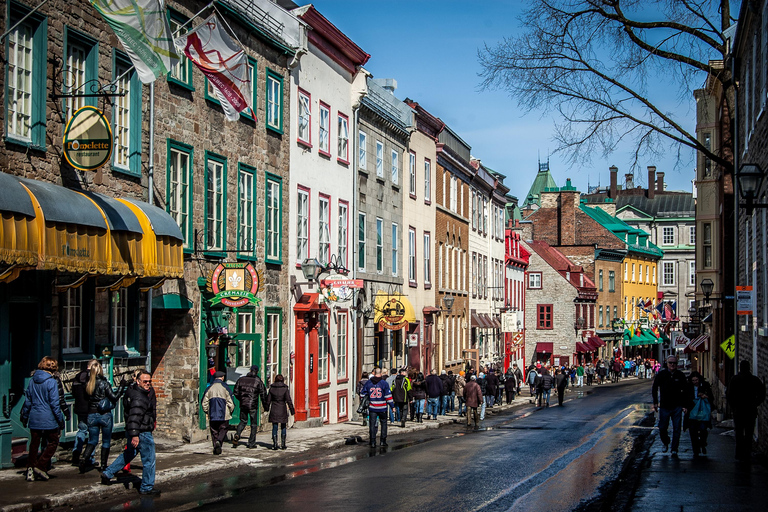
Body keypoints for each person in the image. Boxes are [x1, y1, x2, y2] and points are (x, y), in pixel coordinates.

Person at [100, 370, 160, 496]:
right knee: (149, 460)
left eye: (149, 381)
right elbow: (134, 417)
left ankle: (108, 473)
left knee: (129, 454)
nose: (148, 384)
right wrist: (135, 435)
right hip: (141, 431)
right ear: (138, 381)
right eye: (145, 381)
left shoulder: (133, 391)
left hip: (136, 430)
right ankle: (147, 487)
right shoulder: (139, 397)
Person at [20, 357, 65, 482]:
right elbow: (55, 404)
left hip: (34, 417)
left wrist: (25, 416)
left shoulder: (32, 381)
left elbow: (28, 402)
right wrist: (60, 420)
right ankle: (40, 466)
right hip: (48, 418)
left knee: (34, 444)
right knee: (53, 441)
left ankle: (30, 469)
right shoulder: (51, 382)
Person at [79, 361, 127, 473]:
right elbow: (114, 397)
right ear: (100, 371)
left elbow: (86, 399)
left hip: (91, 414)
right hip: (104, 415)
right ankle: (103, 465)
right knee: (106, 441)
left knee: (92, 440)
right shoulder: (104, 384)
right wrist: (122, 386)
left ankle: (84, 458)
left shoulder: (88, 384)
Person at [726, 360, 766, 461]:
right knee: (749, 432)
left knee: (739, 432)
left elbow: (729, 395)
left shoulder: (735, 379)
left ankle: (739, 453)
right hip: (750, 410)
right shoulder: (754, 380)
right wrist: (756, 403)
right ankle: (747, 453)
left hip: (738, 410)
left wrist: (733, 406)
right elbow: (762, 394)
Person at [652, 356, 689, 456]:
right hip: (664, 405)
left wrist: (685, 405)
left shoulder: (680, 375)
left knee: (677, 428)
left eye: (674, 363)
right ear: (667, 363)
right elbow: (655, 387)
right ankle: (665, 442)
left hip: (677, 405)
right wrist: (655, 402)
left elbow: (686, 390)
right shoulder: (662, 374)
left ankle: (674, 448)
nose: (672, 365)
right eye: (670, 363)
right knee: (662, 427)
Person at [70, 359, 98, 466]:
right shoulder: (92, 378)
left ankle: (76, 452)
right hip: (90, 409)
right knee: (92, 433)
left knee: (81, 430)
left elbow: (73, 393)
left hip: (79, 407)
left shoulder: (77, 377)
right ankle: (89, 457)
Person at [232, 365, 268, 449]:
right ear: (257, 372)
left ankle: (237, 434)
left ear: (250, 370)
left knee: (243, 421)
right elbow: (263, 395)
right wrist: (265, 406)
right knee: (253, 424)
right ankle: (251, 443)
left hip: (243, 404)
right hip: (253, 405)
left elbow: (236, 391)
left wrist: (241, 399)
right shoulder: (258, 381)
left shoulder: (241, 379)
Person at [201, 371, 234, 455]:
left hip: (212, 413)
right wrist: (231, 410)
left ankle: (216, 447)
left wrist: (207, 411)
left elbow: (204, 402)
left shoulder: (209, 388)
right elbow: (230, 402)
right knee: (223, 428)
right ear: (222, 377)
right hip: (224, 413)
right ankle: (219, 441)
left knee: (214, 431)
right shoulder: (225, 387)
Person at [360, 367, 395, 447]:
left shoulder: (368, 383)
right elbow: (388, 396)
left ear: (374, 373)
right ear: (381, 374)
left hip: (372, 407)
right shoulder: (384, 383)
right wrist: (392, 406)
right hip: (382, 407)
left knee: (372, 425)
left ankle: (372, 442)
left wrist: (367, 400)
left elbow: (362, 395)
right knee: (383, 424)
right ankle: (383, 441)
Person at [686, 371, 713, 458]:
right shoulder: (688, 387)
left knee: (703, 429)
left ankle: (702, 443)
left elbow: (711, 397)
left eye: (696, 380)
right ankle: (696, 450)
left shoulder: (705, 386)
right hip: (692, 412)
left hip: (702, 411)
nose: (695, 382)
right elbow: (685, 397)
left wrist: (705, 396)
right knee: (693, 431)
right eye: (693, 380)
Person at [266, 374, 294, 450]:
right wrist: (292, 410)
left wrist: (266, 408)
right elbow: (288, 400)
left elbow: (268, 400)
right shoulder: (285, 389)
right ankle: (283, 444)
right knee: (283, 426)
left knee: (274, 427)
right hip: (282, 408)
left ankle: (275, 444)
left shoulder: (272, 388)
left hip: (274, 408)